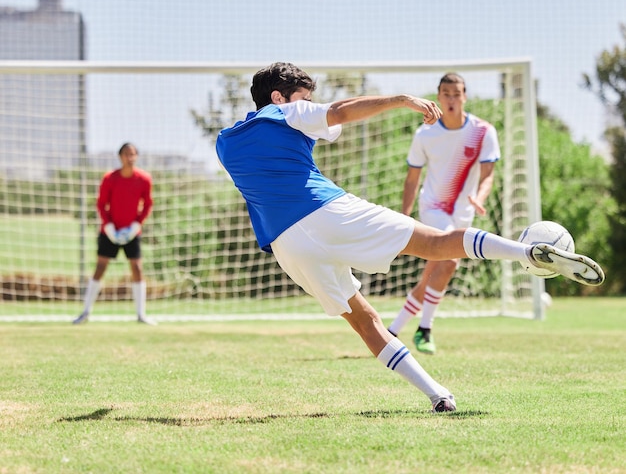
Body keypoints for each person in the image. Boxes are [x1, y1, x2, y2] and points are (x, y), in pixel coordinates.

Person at [215, 62, 604, 413]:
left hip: (287, 245)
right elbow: (339, 113)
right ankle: (527, 252)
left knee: (365, 321)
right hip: (325, 211)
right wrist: (401, 100)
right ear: (279, 97)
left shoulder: (225, 141)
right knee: (437, 243)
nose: (310, 104)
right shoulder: (285, 111)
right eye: (304, 97)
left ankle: (439, 395)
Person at [387, 73, 499, 354]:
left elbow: (488, 175)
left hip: (463, 213)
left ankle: (392, 331)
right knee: (448, 262)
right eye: (446, 93)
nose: (451, 99)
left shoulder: (483, 131)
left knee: (432, 274)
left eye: (457, 93)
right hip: (433, 208)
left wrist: (479, 197)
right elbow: (412, 179)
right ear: (438, 97)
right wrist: (404, 217)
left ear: (465, 96)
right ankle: (425, 329)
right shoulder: (425, 134)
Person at [73, 142, 156, 325]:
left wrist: (136, 224)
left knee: (137, 268)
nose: (130, 157)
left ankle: (141, 315)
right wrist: (109, 226)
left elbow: (148, 204)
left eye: (133, 154)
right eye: (127, 154)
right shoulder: (110, 178)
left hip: (131, 232)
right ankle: (85, 312)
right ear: (120, 157)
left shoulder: (144, 179)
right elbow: (101, 204)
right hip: (110, 232)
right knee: (100, 268)